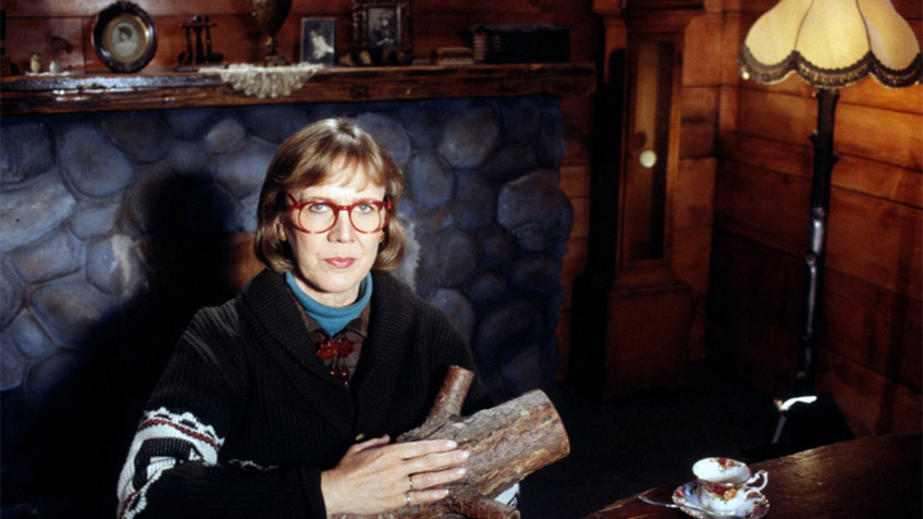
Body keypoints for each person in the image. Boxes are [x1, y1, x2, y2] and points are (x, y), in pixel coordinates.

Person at [116, 118, 486, 518]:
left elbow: (500, 481)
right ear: (280, 221)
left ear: (384, 223)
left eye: (364, 207)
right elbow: (144, 498)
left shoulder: (430, 333)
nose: (344, 234)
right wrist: (329, 492)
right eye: (318, 207)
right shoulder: (219, 339)